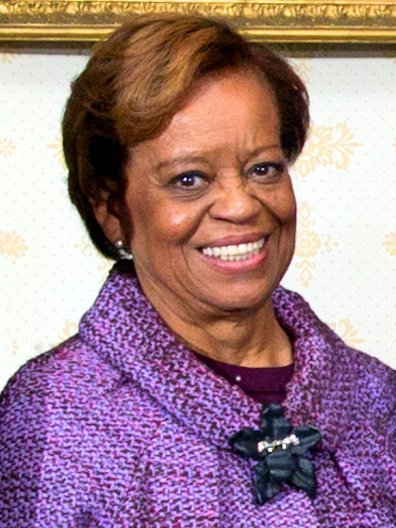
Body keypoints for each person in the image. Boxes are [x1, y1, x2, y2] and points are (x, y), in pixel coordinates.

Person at [0, 13, 394, 528]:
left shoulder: (376, 399)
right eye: (189, 179)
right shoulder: (51, 417)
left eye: (263, 169)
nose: (241, 205)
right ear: (110, 207)